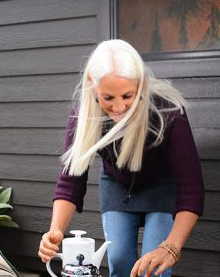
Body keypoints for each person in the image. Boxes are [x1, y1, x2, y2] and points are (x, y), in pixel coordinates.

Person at [37, 39, 204, 277]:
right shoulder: (83, 114)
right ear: (93, 87)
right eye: (108, 98)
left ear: (141, 85)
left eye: (128, 96)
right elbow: (71, 181)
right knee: (120, 260)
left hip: (161, 185)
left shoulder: (169, 112)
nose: (118, 107)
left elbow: (192, 190)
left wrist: (172, 247)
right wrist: (55, 231)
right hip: (117, 183)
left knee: (153, 269)